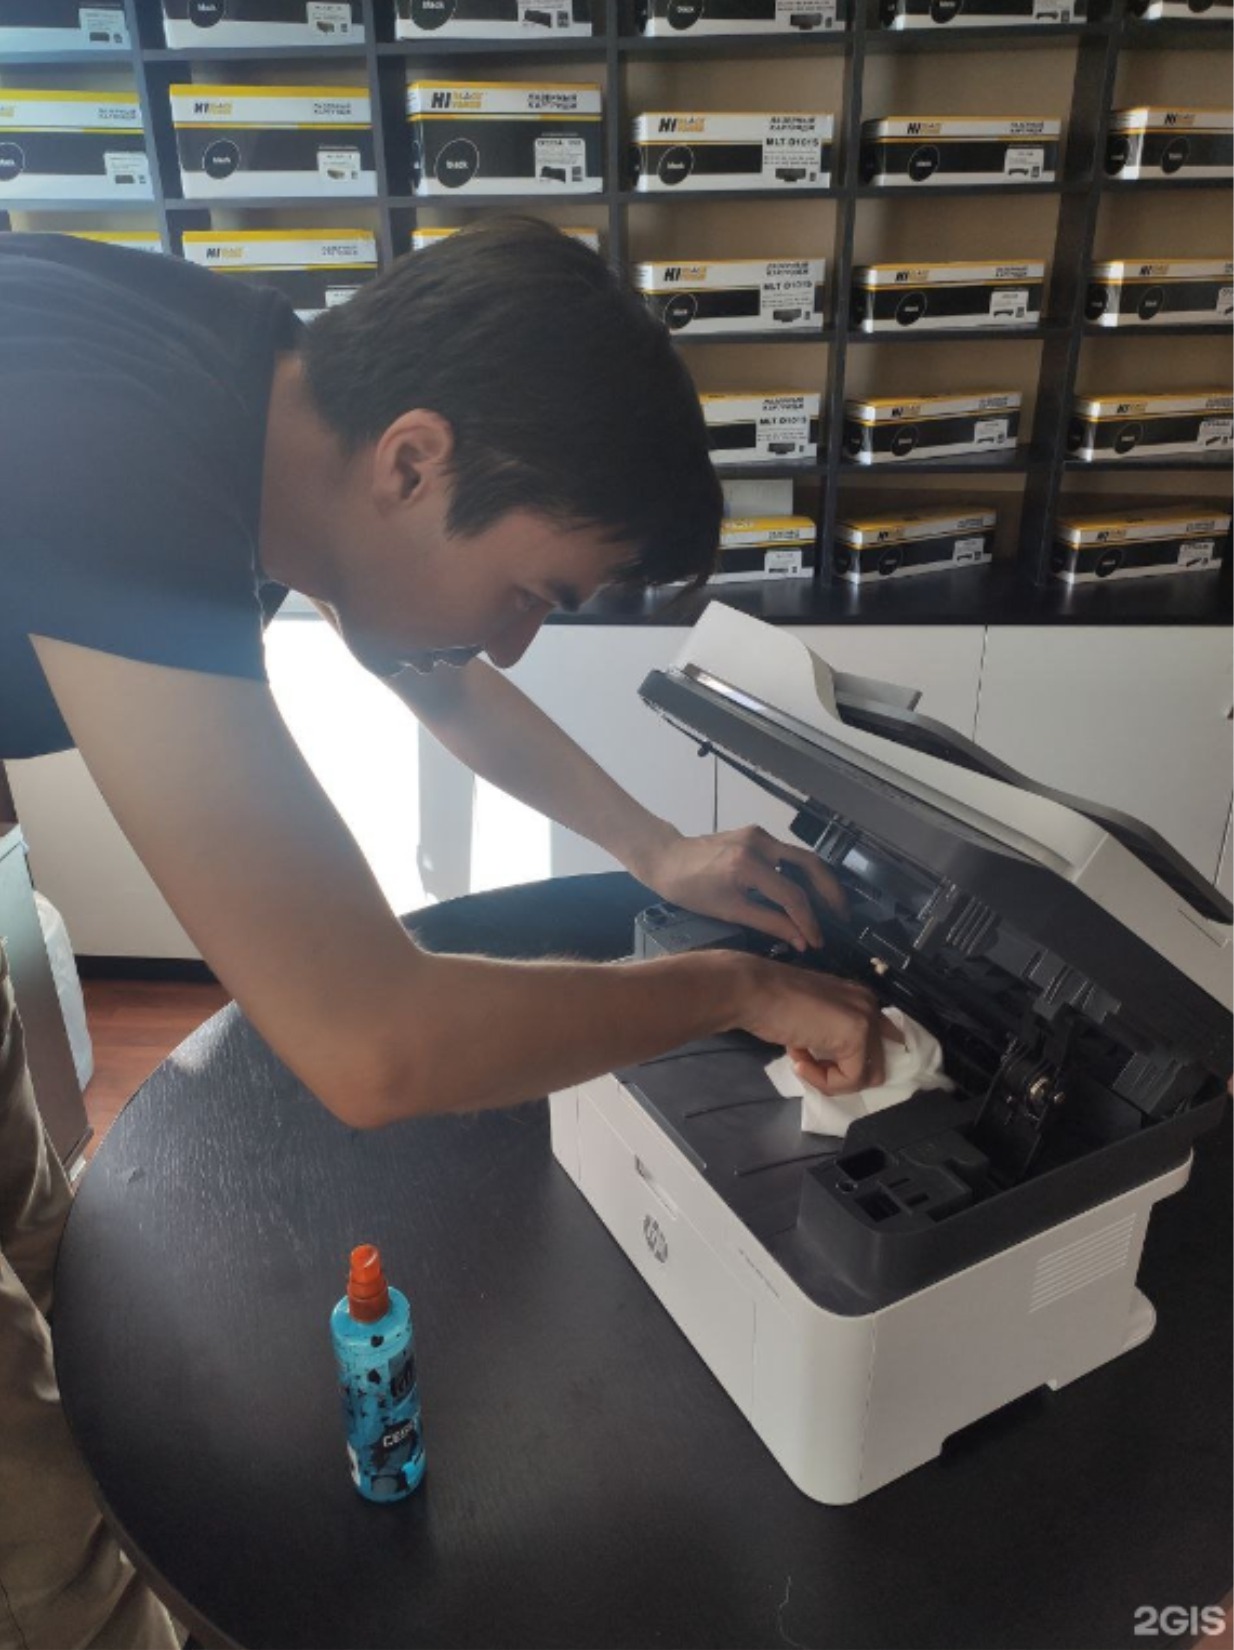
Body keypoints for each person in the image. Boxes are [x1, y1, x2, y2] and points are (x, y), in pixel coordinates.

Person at [0, 217, 891, 1647]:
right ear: (415, 460)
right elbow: (374, 1043)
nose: (518, 641)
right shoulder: (114, 450)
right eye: (533, 593)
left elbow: (426, 656)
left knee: (41, 1251)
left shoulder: (270, 396)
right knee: (28, 1527)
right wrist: (734, 988)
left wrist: (655, 848)